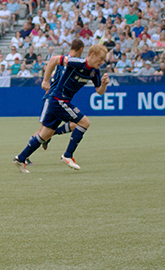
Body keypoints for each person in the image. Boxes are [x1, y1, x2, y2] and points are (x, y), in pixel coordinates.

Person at [13, 44, 110, 173]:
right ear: (92, 55)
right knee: (84, 122)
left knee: (46, 134)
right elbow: (53, 59)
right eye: (101, 59)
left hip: (59, 101)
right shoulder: (77, 62)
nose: (102, 62)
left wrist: (103, 84)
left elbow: (99, 91)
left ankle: (20, 158)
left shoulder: (95, 72)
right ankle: (68, 155)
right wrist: (45, 80)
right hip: (59, 100)